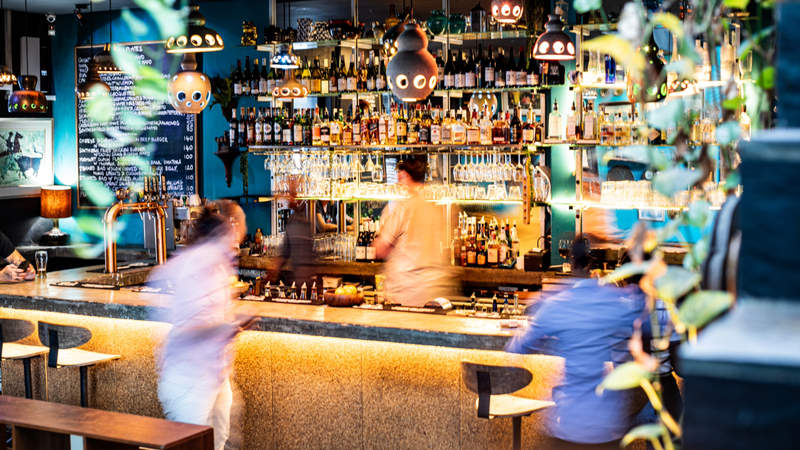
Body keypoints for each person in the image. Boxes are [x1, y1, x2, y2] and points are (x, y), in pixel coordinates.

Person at [505, 235, 648, 450]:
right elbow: (645, 321)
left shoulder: (557, 303)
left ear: (572, 264)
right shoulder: (613, 301)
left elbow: (517, 346)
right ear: (596, 266)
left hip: (568, 421)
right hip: (606, 424)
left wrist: (548, 342)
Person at [151, 200, 257, 450]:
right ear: (211, 241)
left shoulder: (219, 269)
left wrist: (232, 325)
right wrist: (226, 328)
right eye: (227, 242)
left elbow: (217, 315)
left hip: (216, 376)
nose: (233, 248)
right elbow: (183, 333)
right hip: (188, 383)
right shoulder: (186, 271)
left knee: (219, 443)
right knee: (196, 447)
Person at [373, 155, 455, 307]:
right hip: (436, 290)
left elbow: (379, 250)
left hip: (408, 292)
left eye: (399, 178)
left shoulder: (403, 207)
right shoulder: (437, 206)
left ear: (405, 176)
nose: (397, 183)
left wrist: (380, 234)